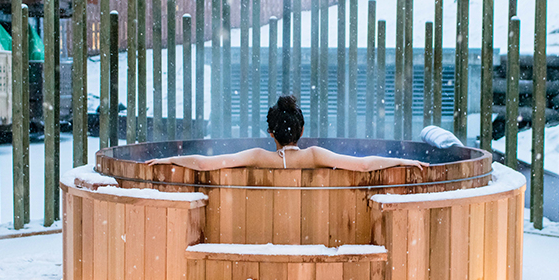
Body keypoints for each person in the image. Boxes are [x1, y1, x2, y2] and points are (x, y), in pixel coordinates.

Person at [146, 95, 427, 171]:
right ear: (302, 130)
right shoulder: (314, 156)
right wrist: (402, 161)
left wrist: (168, 160)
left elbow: (204, 163)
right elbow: (364, 165)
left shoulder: (259, 157)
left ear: (270, 132)